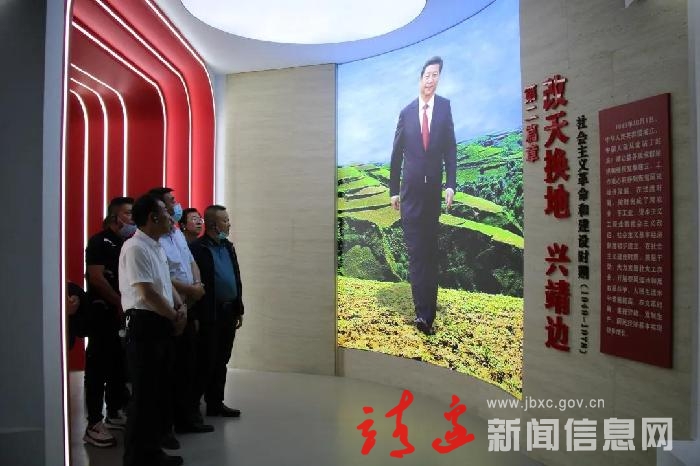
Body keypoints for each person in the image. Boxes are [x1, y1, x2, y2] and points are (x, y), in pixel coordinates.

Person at [389, 56, 457, 336]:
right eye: (427, 75)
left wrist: (450, 184)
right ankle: (423, 315)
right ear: (420, 79)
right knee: (416, 253)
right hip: (410, 195)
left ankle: (428, 311)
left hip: (432, 196)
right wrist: (393, 190)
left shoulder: (444, 108)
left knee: (429, 253)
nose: (431, 80)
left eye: (436, 75)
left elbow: (450, 149)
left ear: (439, 78)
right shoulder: (406, 113)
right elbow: (396, 155)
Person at [119, 194, 186, 466]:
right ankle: (136, 457)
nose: (171, 218)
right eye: (166, 214)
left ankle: (152, 451)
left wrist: (179, 307)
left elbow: (165, 284)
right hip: (145, 325)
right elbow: (146, 293)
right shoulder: (135, 247)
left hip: (161, 322)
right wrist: (174, 316)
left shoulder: (155, 246)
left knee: (158, 392)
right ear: (152, 217)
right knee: (144, 395)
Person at [148, 188, 212, 436]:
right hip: (170, 309)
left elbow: (190, 262)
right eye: (171, 202)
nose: (177, 205)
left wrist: (197, 285)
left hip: (189, 306)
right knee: (170, 370)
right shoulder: (154, 240)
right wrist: (189, 290)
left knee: (188, 365)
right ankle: (168, 424)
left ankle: (186, 418)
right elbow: (163, 275)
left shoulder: (175, 233)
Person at [82, 196, 135, 447]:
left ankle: (114, 412)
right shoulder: (99, 241)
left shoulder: (128, 243)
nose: (132, 218)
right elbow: (96, 277)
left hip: (122, 317)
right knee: (97, 369)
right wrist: (118, 302)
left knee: (118, 365)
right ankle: (94, 423)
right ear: (115, 216)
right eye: (128, 213)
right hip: (102, 314)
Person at [189, 205, 244, 418]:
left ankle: (215, 403)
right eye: (225, 220)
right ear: (213, 224)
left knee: (222, 360)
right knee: (206, 360)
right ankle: (193, 407)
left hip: (229, 311)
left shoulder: (228, 246)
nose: (229, 224)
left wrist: (239, 308)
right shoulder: (198, 248)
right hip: (209, 312)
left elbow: (235, 277)